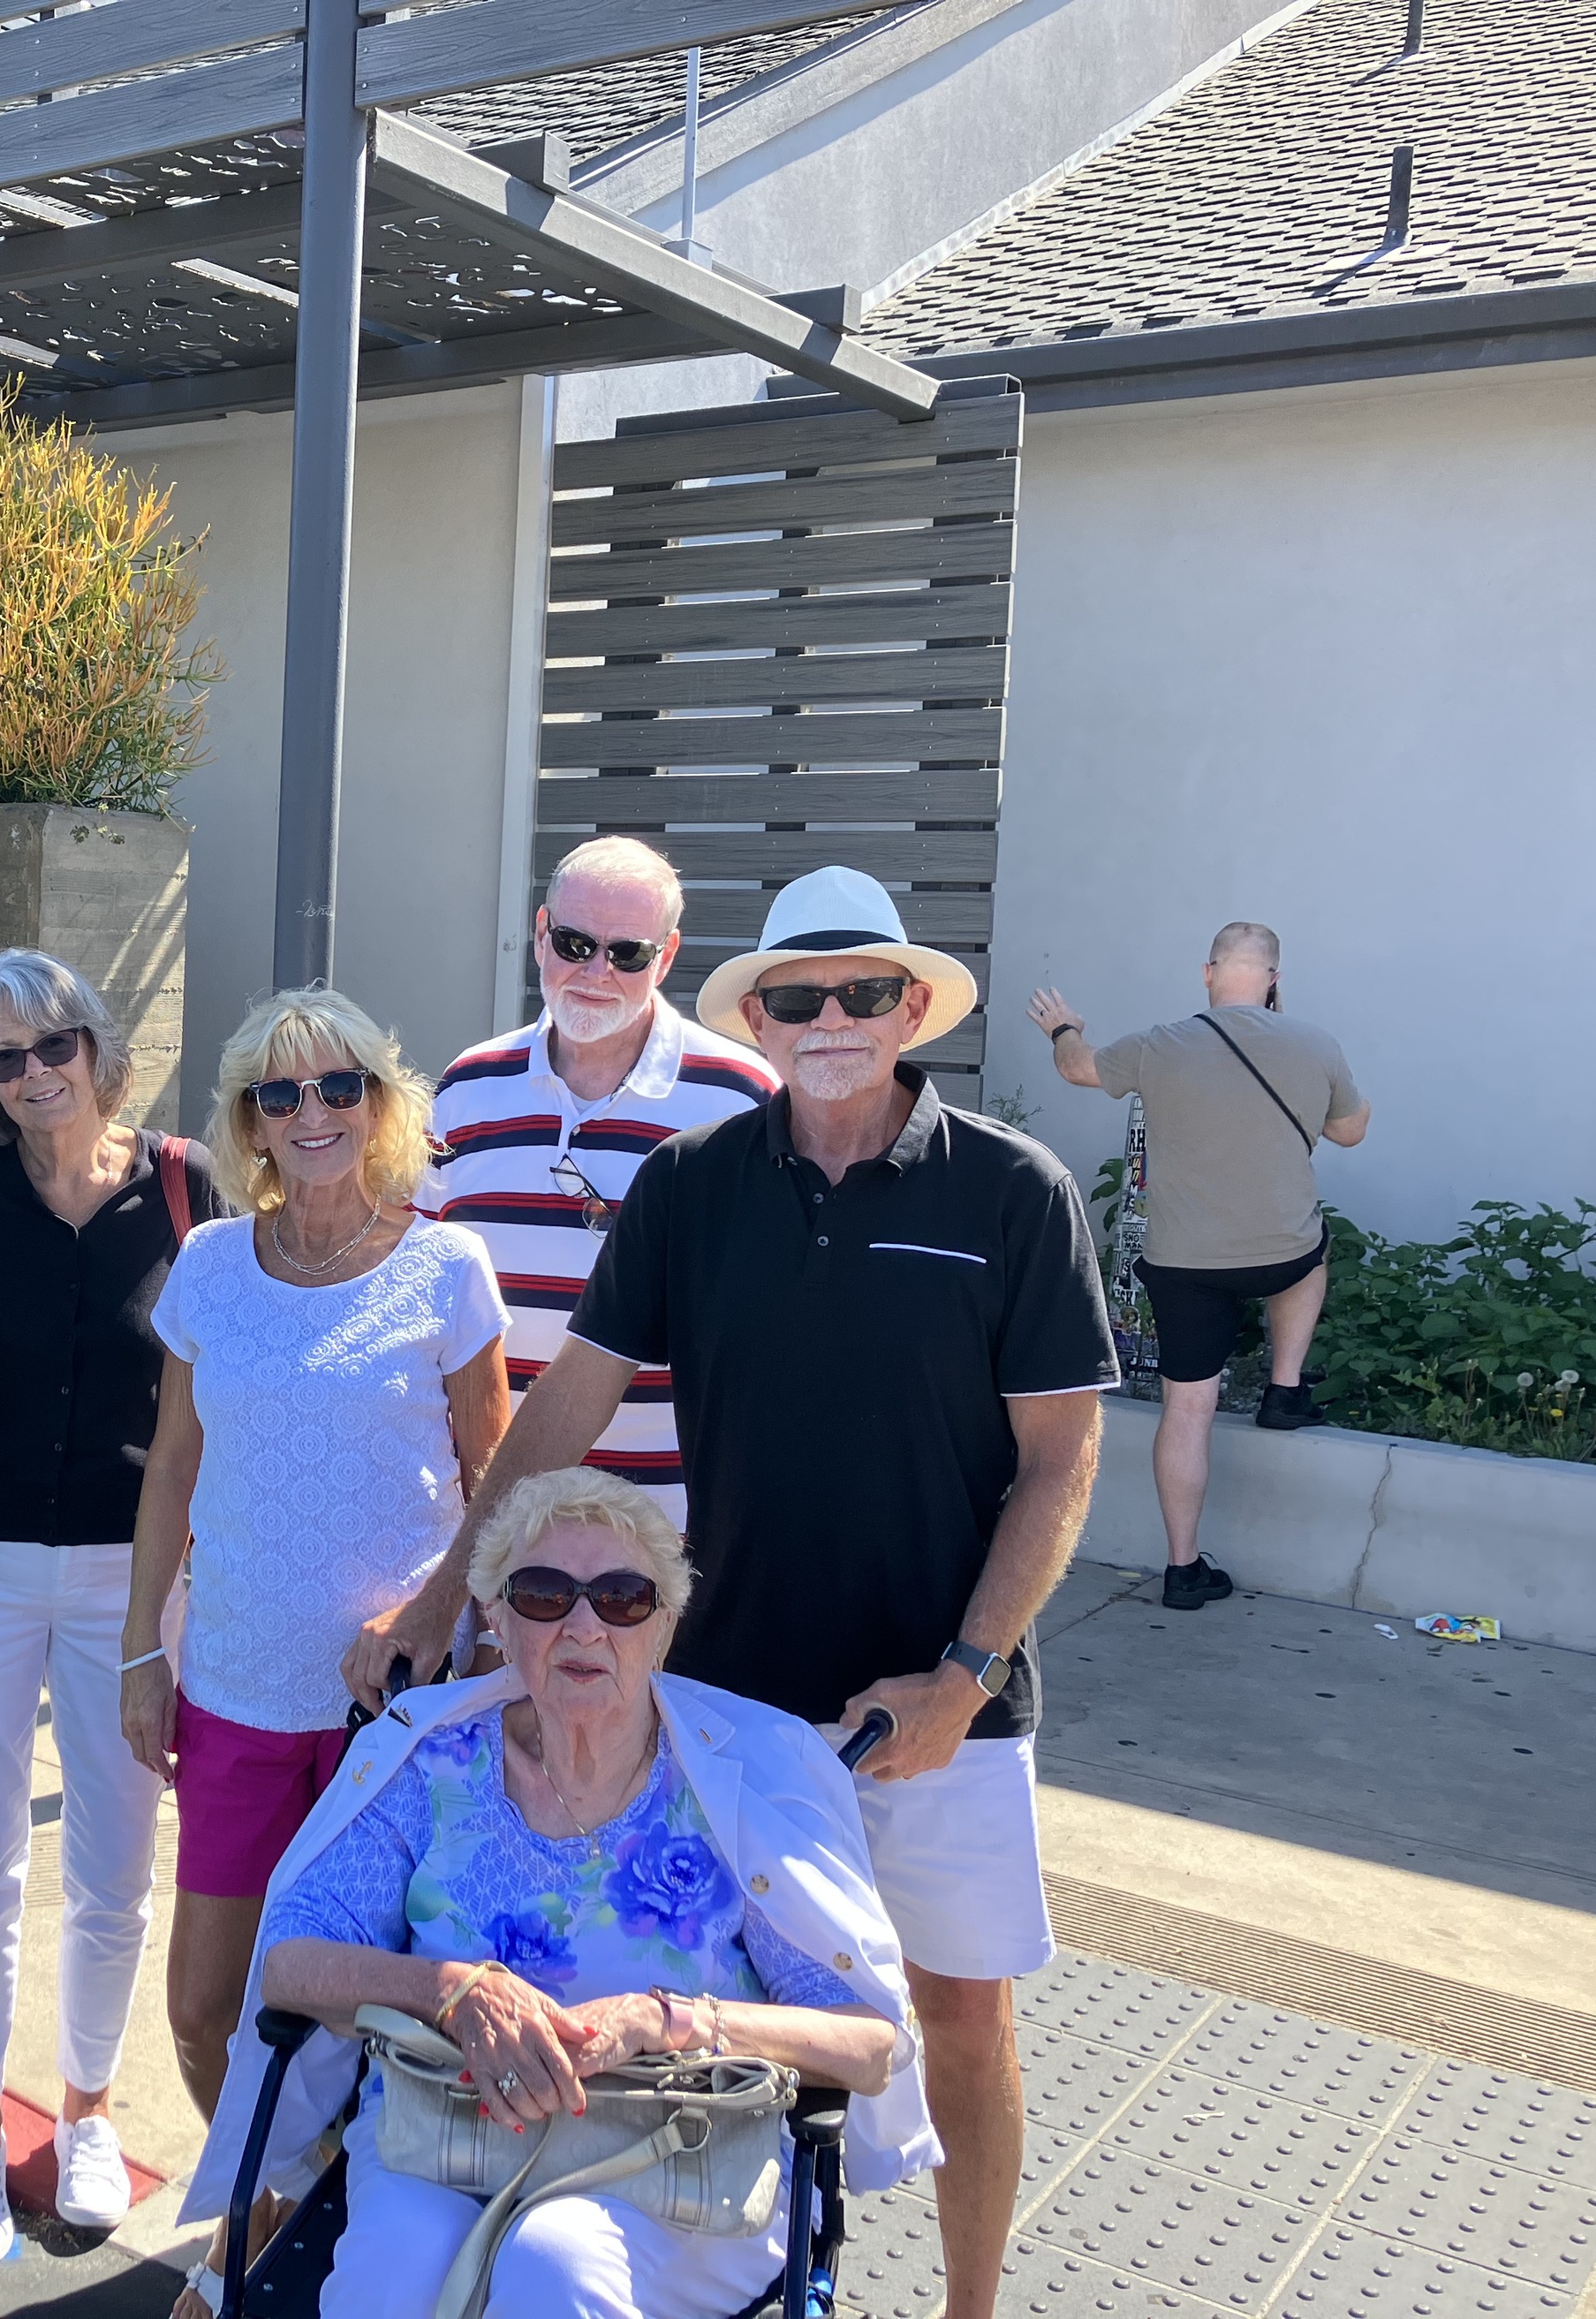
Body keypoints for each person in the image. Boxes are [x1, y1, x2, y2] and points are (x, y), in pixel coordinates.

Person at [373, 866, 1114, 2319]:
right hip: (731, 1702)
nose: (832, 1017)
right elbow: (562, 1408)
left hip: (948, 1708)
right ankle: (748, 2284)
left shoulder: (1013, 1190)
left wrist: (962, 1677)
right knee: (732, 2027)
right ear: (757, 1020)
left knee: (962, 2023)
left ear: (913, 1007)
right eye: (798, 995)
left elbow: (1061, 1462)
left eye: (864, 991)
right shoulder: (691, 1185)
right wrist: (445, 1594)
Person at [175, 1468, 932, 2319]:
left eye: (621, 1597)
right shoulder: (432, 1763)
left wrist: (669, 2021)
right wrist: (453, 1990)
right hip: (449, 2132)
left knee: (556, 2266)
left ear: (664, 1624)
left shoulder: (734, 1785)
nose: (583, 1625)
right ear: (496, 1619)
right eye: (543, 1594)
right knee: (389, 2277)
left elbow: (867, 2042)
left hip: (683, 2156)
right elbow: (291, 1962)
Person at [0, 950, 218, 2266]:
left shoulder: (182, 1183)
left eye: (51, 1046)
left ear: (95, 1048)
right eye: (1, 1059)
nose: (30, 1076)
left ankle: (85, 2112)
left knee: (114, 1863)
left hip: (135, 1570)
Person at [123, 987, 511, 2128]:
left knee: (381, 2015)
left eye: (340, 1085)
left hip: (395, 1710)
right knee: (204, 2009)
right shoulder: (207, 1263)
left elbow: (497, 1483)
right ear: (249, 1122)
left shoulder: (447, 1268)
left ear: (380, 1105)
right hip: (235, 1692)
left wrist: (454, 1624)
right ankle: (270, 2201)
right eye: (280, 1093)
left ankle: (342, 2213)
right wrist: (140, 1652)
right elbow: (171, 1471)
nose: (312, 1112)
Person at [411, 835, 772, 1526]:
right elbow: (418, 1287)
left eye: (627, 953)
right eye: (575, 943)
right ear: (540, 935)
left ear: (666, 956)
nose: (596, 971)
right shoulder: (466, 1087)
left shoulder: (743, 1097)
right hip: (492, 1511)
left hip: (669, 1515)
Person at [1030, 924, 1370, 1609]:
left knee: (1187, 1409)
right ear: (1273, 980)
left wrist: (1065, 1028)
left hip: (1184, 1266)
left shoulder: (1161, 1045)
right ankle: (1284, 1388)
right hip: (1280, 1254)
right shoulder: (1315, 1043)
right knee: (1312, 1254)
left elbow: (1078, 1068)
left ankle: (1183, 1569)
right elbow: (1350, 1129)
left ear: (1208, 973)